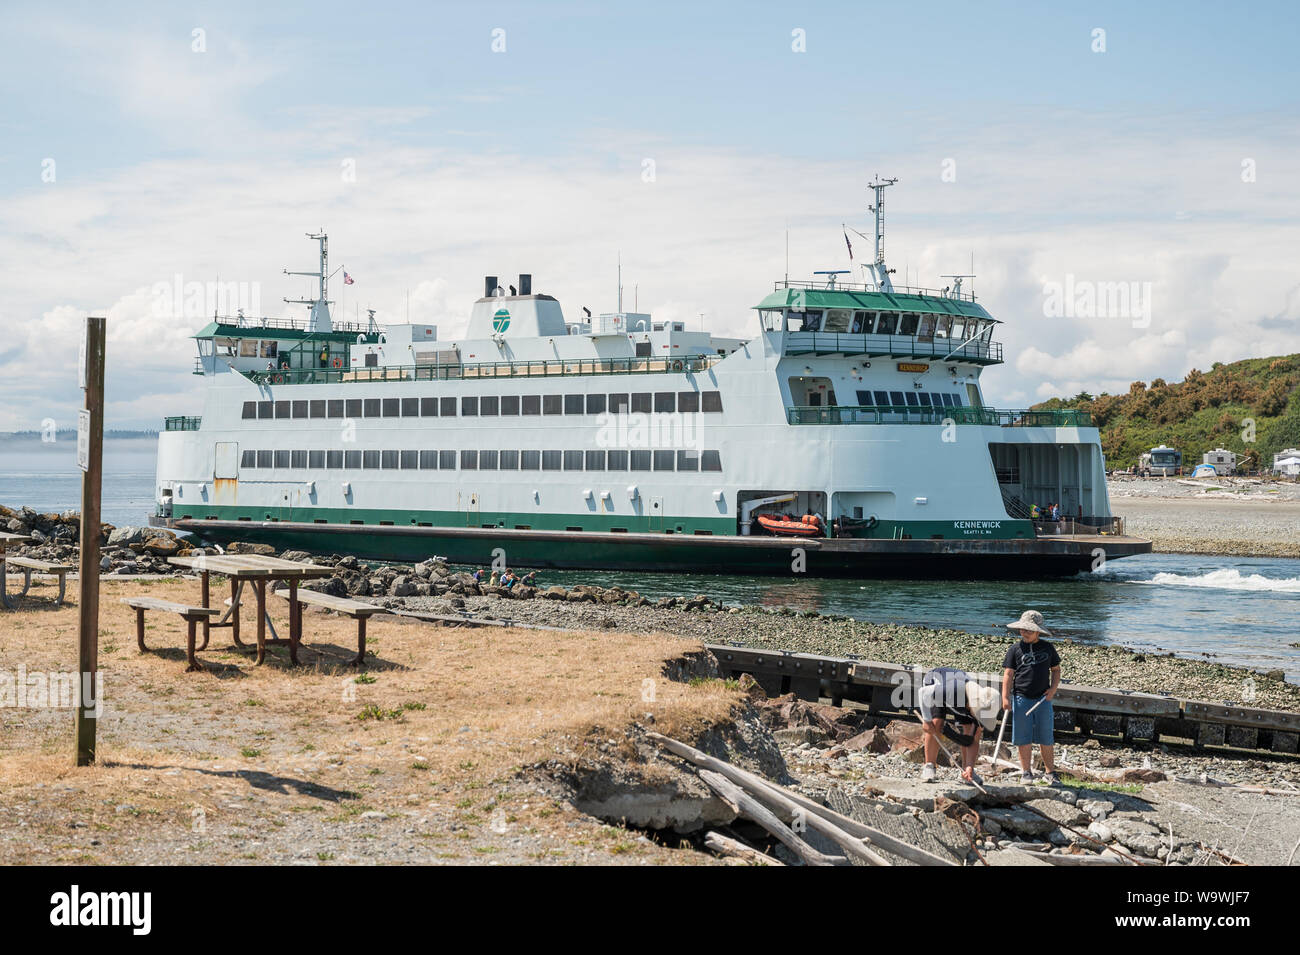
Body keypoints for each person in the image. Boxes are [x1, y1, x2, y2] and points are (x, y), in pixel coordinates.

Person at [1002, 610, 1062, 785]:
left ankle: (1050, 772)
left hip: (1043, 700)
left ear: (1038, 631)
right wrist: (1006, 698)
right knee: (1023, 737)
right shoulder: (1015, 649)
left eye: (1029, 630)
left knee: (1046, 737)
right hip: (1021, 698)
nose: (1025, 632)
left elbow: (1056, 670)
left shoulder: (1048, 648)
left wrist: (1053, 689)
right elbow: (1008, 674)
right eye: (1023, 629)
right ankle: (1026, 772)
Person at [917, 666, 1000, 784]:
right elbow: (923, 692)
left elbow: (972, 740)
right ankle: (929, 766)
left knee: (973, 731)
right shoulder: (954, 690)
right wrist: (926, 720)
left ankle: (967, 771)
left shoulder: (983, 707)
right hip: (936, 682)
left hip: (961, 702)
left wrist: (970, 766)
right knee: (936, 723)